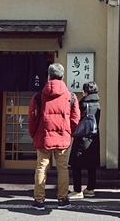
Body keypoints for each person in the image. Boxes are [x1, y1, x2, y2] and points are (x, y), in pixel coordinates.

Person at [28, 63, 80, 210]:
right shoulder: (71, 96)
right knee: (62, 168)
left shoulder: (38, 95)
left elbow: (32, 118)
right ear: (63, 76)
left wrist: (34, 135)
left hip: (43, 137)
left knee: (41, 167)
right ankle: (62, 199)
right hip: (63, 138)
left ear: (49, 77)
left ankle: (39, 201)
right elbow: (76, 119)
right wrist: (69, 133)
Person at [68, 81, 101, 199]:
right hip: (94, 138)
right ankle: (90, 189)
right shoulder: (97, 104)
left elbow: (76, 119)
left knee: (75, 164)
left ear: (85, 91)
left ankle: (77, 190)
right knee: (91, 165)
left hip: (82, 137)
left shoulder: (83, 104)